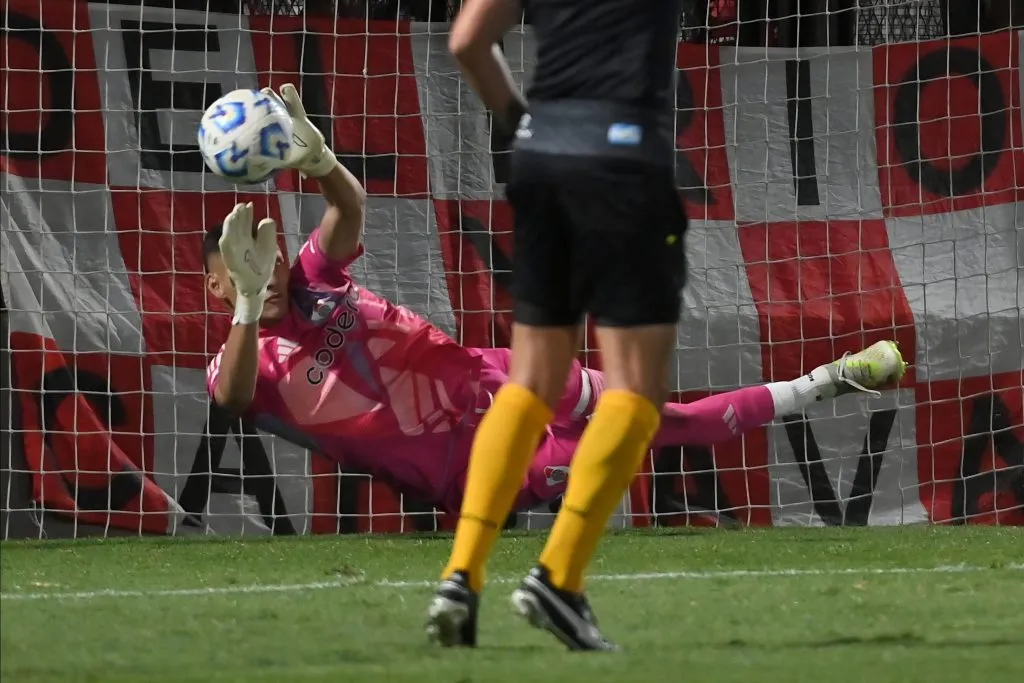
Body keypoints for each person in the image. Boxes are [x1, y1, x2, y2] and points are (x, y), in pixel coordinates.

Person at [207, 85, 905, 629]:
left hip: (500, 374)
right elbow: (234, 398)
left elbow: (348, 212)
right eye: (247, 268)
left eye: (266, 259)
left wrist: (322, 162)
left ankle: (828, 380)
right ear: (219, 282)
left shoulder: (311, 279)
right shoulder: (243, 358)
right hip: (468, 465)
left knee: (662, 417)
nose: (266, 274)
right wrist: (245, 306)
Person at [429, 0, 695, 650]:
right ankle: (559, 575)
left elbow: (467, 41)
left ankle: (461, 573)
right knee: (637, 387)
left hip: (540, 157)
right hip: (624, 156)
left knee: (531, 380)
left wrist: (522, 121)